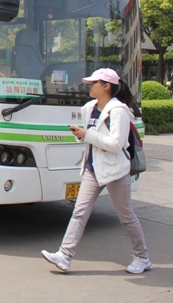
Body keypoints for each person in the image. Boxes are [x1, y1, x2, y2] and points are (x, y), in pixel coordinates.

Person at [41, 68, 151, 274]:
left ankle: (142, 257)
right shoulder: (89, 108)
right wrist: (81, 134)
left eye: (93, 83)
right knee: (79, 213)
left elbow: (116, 144)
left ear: (106, 86)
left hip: (115, 171)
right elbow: (91, 137)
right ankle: (64, 256)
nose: (89, 86)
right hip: (93, 168)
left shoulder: (118, 111)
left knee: (126, 216)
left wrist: (87, 134)